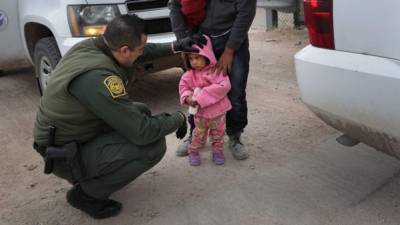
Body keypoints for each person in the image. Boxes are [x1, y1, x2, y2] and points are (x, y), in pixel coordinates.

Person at [32, 14, 205, 219]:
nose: (141, 53)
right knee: (152, 146)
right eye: (139, 50)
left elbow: (140, 52)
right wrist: (178, 118)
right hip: (64, 154)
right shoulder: (98, 78)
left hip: (69, 135)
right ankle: (86, 194)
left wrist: (176, 46)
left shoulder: (92, 46)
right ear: (123, 50)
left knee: (139, 109)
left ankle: (92, 171)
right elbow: (143, 132)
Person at [169, 0, 257, 160]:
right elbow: (175, 5)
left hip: (233, 39)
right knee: (196, 90)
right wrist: (184, 41)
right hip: (200, 38)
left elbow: (246, 13)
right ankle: (194, 135)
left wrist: (230, 50)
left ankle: (235, 136)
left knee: (236, 91)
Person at [179, 35, 231, 166]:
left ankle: (217, 151)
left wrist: (201, 96)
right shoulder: (189, 75)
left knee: (218, 134)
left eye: (197, 58)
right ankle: (193, 151)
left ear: (207, 55)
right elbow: (183, 87)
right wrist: (187, 97)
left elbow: (224, 86)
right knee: (198, 134)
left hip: (218, 113)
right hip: (200, 114)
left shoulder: (217, 71)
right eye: (191, 59)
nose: (194, 62)